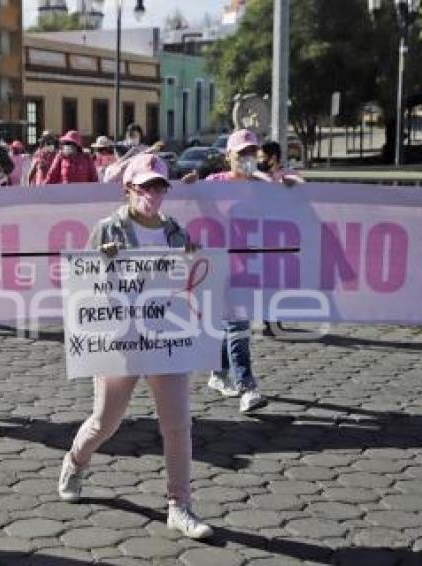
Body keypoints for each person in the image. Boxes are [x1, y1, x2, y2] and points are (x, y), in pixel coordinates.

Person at [58, 153, 213, 540]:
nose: (153, 193)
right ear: (129, 189)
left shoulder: (176, 231)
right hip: (119, 342)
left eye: (159, 186)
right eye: (146, 186)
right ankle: (76, 462)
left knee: (178, 425)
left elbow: (192, 278)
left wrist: (195, 259)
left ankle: (180, 505)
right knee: (105, 421)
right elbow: (84, 281)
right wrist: (100, 261)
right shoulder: (107, 229)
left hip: (166, 341)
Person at [182, 128, 270, 413]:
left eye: (251, 152)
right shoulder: (215, 183)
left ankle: (219, 374)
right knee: (237, 325)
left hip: (247, 265)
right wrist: (191, 186)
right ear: (227, 156)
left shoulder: (262, 186)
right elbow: (189, 206)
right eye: (241, 153)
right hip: (217, 265)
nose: (247, 157)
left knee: (229, 325)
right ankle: (247, 387)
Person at [258, 141, 304, 337]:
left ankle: (274, 320)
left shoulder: (287, 174)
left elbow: (303, 187)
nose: (259, 161)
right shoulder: (256, 177)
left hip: (280, 237)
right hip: (258, 235)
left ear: (273, 158)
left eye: (262, 157)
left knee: (274, 281)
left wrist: (290, 185)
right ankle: (266, 319)